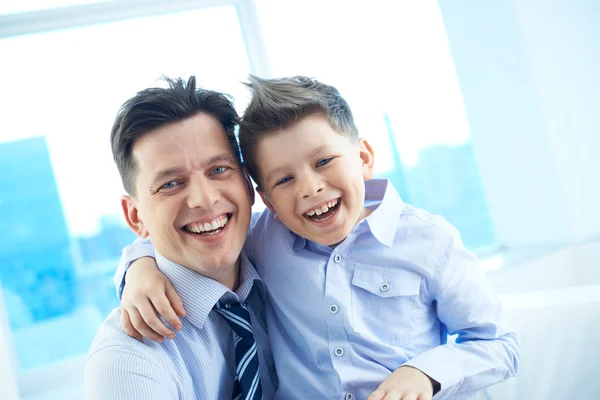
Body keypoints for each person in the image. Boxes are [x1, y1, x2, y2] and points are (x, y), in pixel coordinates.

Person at [116, 75, 519, 399]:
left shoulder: (431, 244)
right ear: (267, 199)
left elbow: (498, 343)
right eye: (284, 179)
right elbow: (183, 239)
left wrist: (426, 373)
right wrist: (140, 266)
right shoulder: (262, 241)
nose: (309, 188)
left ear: (363, 157)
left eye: (324, 161)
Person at [84, 76, 277, 399]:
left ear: (247, 183)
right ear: (135, 215)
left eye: (218, 170)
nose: (203, 199)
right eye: (170, 184)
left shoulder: (285, 255)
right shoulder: (125, 359)